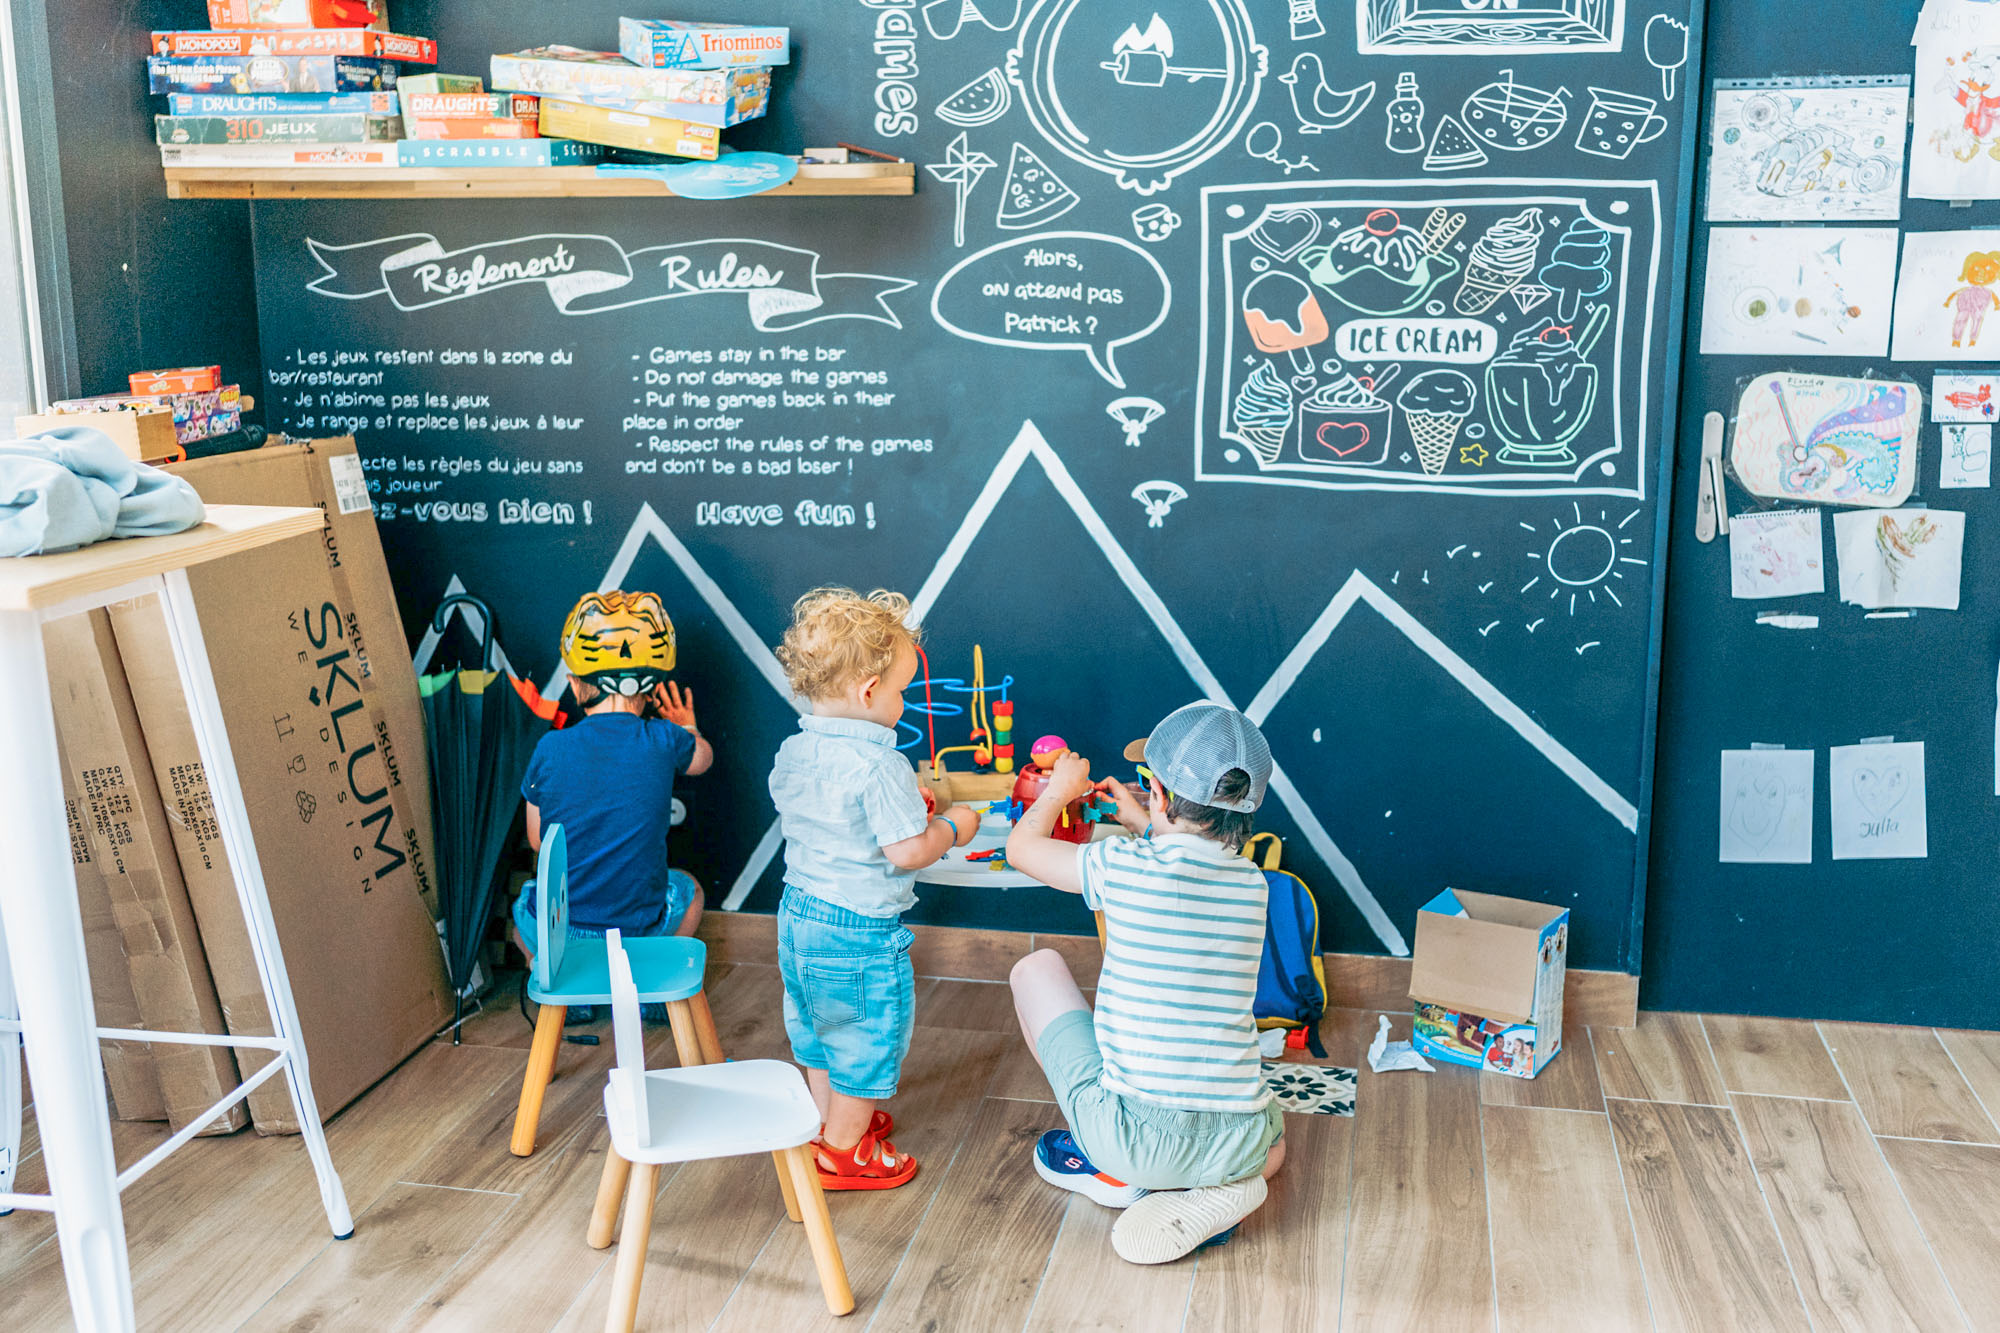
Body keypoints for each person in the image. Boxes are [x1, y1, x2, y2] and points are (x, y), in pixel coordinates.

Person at [1004, 703, 1285, 1265]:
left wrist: (1056, 792)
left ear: (1157, 794)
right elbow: (1190, 864)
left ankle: (1110, 1173)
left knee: (1034, 969)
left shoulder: (1120, 866)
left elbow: (1022, 850)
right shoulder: (1255, 884)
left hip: (1131, 1138)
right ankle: (1222, 1186)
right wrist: (1144, 820)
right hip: (1240, 1136)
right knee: (1272, 1147)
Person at [769, 587, 981, 1190]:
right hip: (856, 928)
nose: (902, 701)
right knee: (865, 1037)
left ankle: (825, 1124)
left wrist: (899, 812)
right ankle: (844, 1153)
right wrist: (953, 825)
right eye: (901, 691)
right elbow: (908, 852)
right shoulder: (879, 764)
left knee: (816, 1026)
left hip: (799, 914)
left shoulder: (794, 749)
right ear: (868, 691)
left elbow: (831, 819)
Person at [512, 590, 711, 1023]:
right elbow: (702, 759)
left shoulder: (551, 747)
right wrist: (687, 726)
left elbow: (538, 839)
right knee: (690, 892)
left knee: (521, 912)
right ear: (651, 684)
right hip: (639, 929)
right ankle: (649, 989)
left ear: (575, 683)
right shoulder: (663, 738)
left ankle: (558, 981)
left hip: (563, 932)